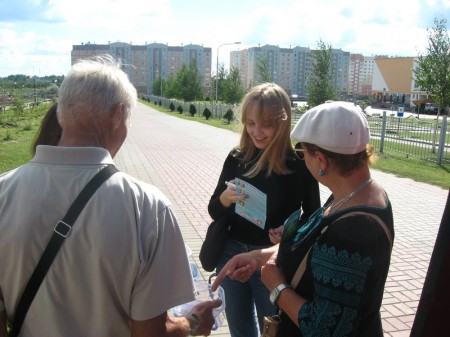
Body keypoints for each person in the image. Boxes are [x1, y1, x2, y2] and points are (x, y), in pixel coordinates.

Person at [0, 55, 221, 337]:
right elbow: (152, 333)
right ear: (119, 114)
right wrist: (191, 322)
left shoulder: (4, 193)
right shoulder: (148, 208)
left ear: (60, 114)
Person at [212, 100, 395, 336]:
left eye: (302, 152)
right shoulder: (353, 195)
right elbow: (312, 247)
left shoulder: (353, 232)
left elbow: (323, 328)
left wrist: (277, 287)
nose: (301, 158)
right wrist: (257, 257)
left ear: (322, 160)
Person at [207, 83, 320, 337]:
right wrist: (226, 198)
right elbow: (214, 210)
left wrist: (290, 232)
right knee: (240, 328)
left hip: (272, 263)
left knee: (274, 331)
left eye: (266, 124)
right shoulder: (238, 157)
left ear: (283, 122)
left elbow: (314, 218)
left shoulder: (299, 164)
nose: (256, 132)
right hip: (232, 253)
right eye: (250, 123)